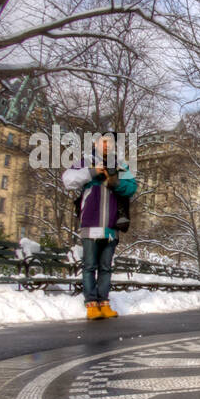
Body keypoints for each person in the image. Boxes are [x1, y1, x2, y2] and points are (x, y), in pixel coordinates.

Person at [63, 134, 137, 320]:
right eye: (104, 141)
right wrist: (92, 172)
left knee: (106, 267)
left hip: (112, 225)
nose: (107, 144)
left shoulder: (121, 165)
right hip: (91, 222)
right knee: (90, 265)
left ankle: (104, 302)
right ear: (96, 143)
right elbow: (68, 180)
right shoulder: (86, 161)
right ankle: (91, 303)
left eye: (111, 142)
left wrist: (115, 182)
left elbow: (132, 187)